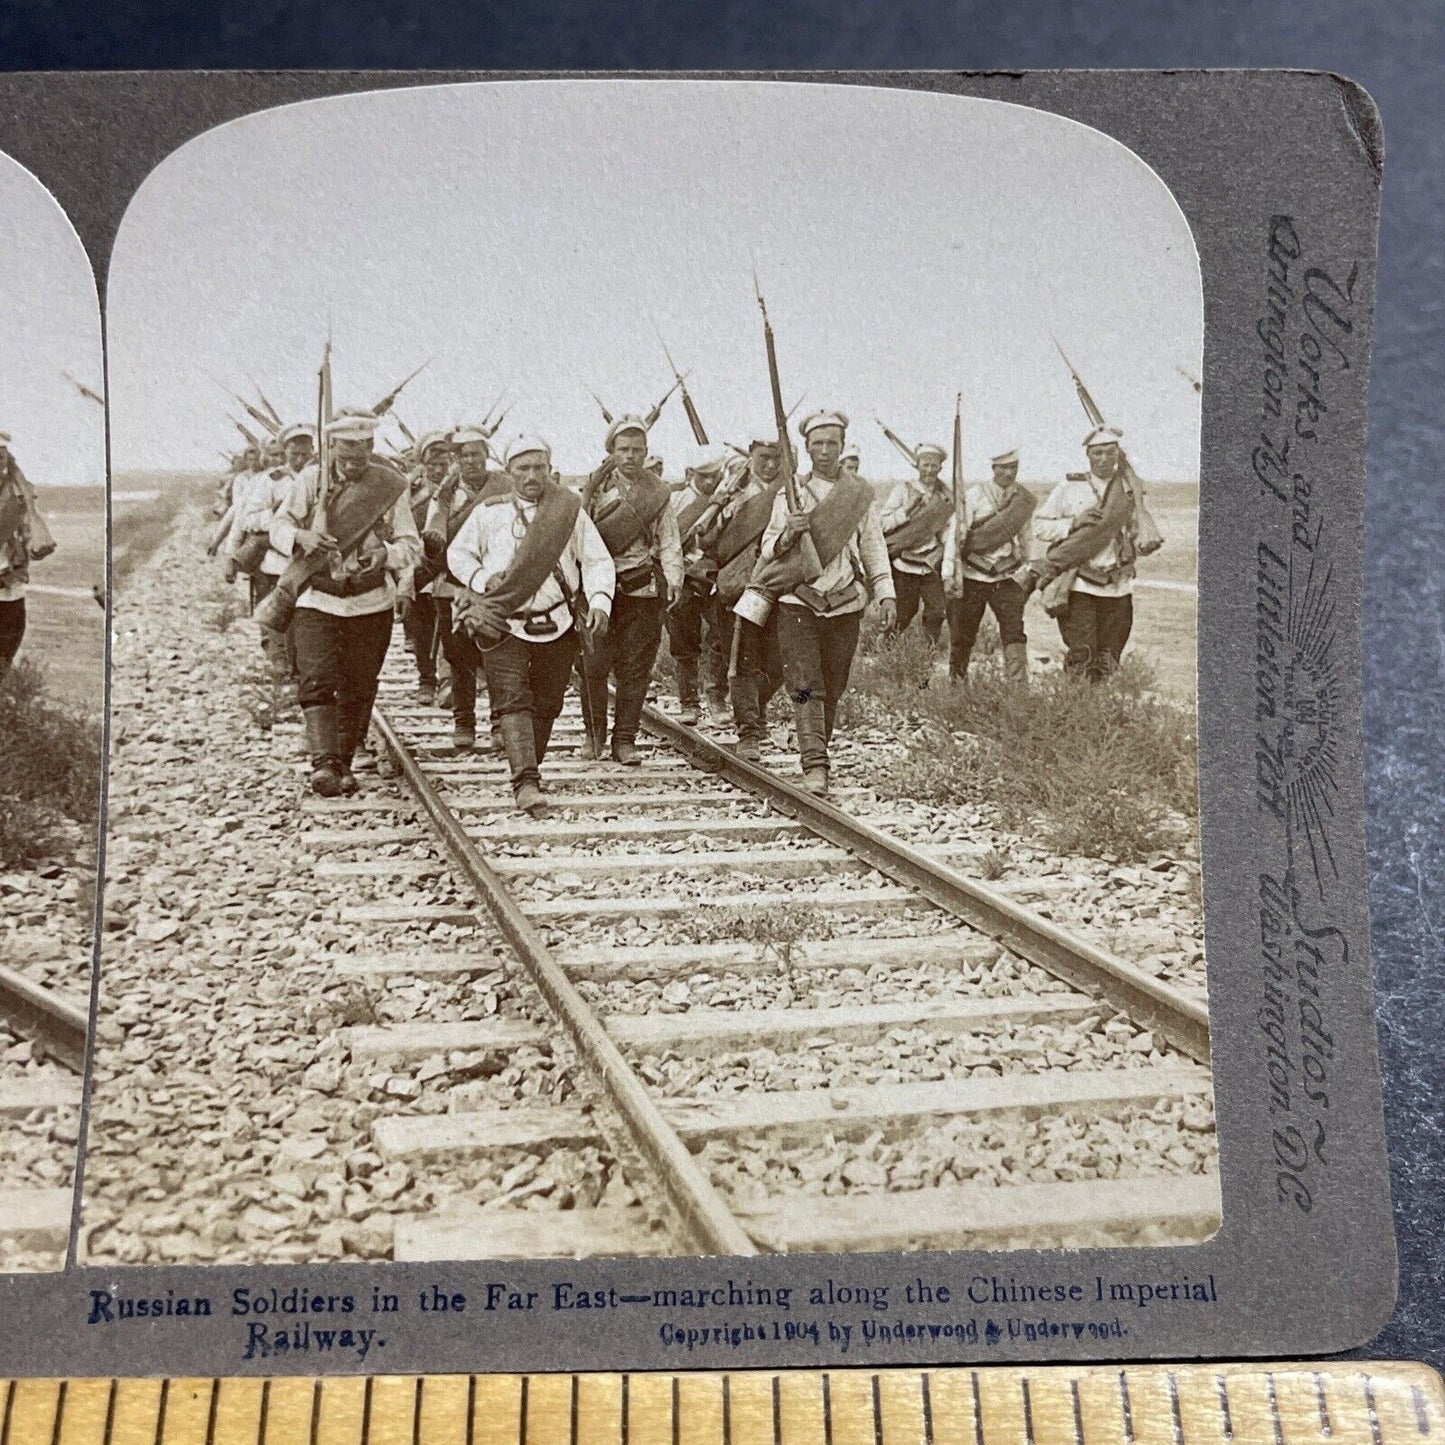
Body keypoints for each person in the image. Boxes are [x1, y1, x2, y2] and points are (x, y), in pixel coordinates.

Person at [447, 436, 614, 815]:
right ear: (509, 472)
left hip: (556, 620)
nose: (532, 476)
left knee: (549, 701)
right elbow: (458, 553)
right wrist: (479, 579)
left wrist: (601, 601)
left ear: (549, 469)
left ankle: (529, 765)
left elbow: (598, 560)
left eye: (539, 467)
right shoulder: (489, 512)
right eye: (523, 468)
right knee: (511, 697)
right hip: (502, 623)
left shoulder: (569, 512)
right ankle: (525, 781)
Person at [269, 408, 421, 796]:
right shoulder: (311, 480)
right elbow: (279, 526)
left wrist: (386, 554)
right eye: (346, 456)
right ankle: (324, 764)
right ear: (333, 447)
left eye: (361, 455)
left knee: (359, 684)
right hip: (318, 598)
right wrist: (301, 539)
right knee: (317, 678)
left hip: (370, 602)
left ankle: (344, 764)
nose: (353, 464)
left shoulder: (390, 486)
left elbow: (411, 545)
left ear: (371, 448)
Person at [757, 410, 895, 795]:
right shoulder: (791, 493)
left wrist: (885, 592)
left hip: (845, 603)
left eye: (831, 442)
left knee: (833, 685)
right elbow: (768, 548)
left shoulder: (859, 495)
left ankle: (819, 748)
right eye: (816, 443)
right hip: (798, 601)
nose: (824, 450)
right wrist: (789, 533)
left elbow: (873, 546)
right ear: (806, 447)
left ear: (842, 445)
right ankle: (815, 764)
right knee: (805, 684)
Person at [580, 414, 683, 764]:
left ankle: (624, 739)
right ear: (611, 451)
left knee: (635, 669)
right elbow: (577, 536)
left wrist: (675, 578)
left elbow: (669, 538)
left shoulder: (657, 492)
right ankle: (593, 733)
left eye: (637, 450)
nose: (630, 456)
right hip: (598, 592)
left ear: (645, 452)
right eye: (623, 449)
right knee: (593, 665)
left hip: (640, 588)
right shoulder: (594, 491)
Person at [1026, 425, 1156, 681]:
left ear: (1118, 454)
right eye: (1098, 453)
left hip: (1118, 587)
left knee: (1109, 661)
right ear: (1088, 455)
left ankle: (1095, 716)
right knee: (1081, 657)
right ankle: (1074, 715)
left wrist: (1142, 539)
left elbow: (1137, 530)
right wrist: (1073, 523)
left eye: (1110, 452)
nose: (1104, 459)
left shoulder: (1130, 489)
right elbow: (1039, 526)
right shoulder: (1070, 487)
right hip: (1080, 585)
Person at [424, 425, 508, 749]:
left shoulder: (504, 488)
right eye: (463, 455)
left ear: (486, 454)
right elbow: (432, 543)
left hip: (494, 586)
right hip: (453, 586)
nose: (470, 460)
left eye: (475, 453)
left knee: (498, 655)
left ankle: (500, 723)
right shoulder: (444, 496)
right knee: (460, 658)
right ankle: (464, 723)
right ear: (455, 459)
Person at [710, 436, 786, 762]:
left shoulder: (790, 495)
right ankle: (748, 731)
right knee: (744, 659)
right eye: (763, 457)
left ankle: (756, 707)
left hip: (782, 587)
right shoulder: (735, 495)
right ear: (751, 456)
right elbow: (710, 539)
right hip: (743, 589)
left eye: (776, 458)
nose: (769, 464)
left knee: (779, 661)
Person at [942, 447, 1035, 683]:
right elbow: (956, 532)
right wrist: (949, 572)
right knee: (963, 633)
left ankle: (1018, 687)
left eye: (1013, 467)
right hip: (973, 575)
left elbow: (1026, 537)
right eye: (1003, 468)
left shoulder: (1022, 501)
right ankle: (957, 681)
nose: (1008, 473)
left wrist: (1028, 568)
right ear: (994, 469)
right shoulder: (975, 495)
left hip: (1005, 577)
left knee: (1014, 630)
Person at [666, 449, 730, 724]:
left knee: (720, 635)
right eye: (703, 476)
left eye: (714, 476)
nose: (709, 482)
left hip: (715, 577)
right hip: (683, 578)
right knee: (684, 641)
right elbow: (669, 539)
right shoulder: (677, 500)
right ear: (691, 474)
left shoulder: (726, 500)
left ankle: (716, 699)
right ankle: (689, 702)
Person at [878, 441, 952, 644]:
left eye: (934, 465)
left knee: (936, 613)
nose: (929, 470)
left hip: (930, 565)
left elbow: (946, 530)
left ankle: (925, 661)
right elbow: (882, 524)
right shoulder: (903, 490)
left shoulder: (944, 496)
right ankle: (887, 653)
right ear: (917, 465)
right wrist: (906, 510)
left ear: (940, 468)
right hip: (904, 565)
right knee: (902, 614)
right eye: (925, 464)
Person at [401, 431, 454, 706]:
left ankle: (447, 681)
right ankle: (426, 679)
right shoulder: (411, 491)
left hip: (449, 566)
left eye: (443, 462)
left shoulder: (455, 490)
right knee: (421, 626)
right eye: (432, 462)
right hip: (419, 565)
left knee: (448, 627)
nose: (437, 467)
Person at [0, 432, 56, 672]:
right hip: (9, 583)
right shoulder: (16, 487)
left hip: (9, 585)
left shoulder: (16, 487)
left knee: (8, 644)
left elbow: (27, 530)